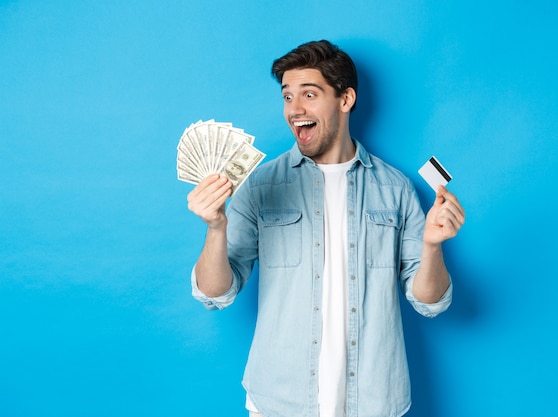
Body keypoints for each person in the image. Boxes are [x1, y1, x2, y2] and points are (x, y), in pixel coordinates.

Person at [187, 40, 465, 417]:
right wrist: (216, 227)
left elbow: (430, 302)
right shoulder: (260, 186)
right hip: (279, 403)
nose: (295, 109)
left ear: (345, 99)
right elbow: (215, 294)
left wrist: (433, 246)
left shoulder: (395, 188)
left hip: (374, 401)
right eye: (287, 96)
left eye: (309, 94)